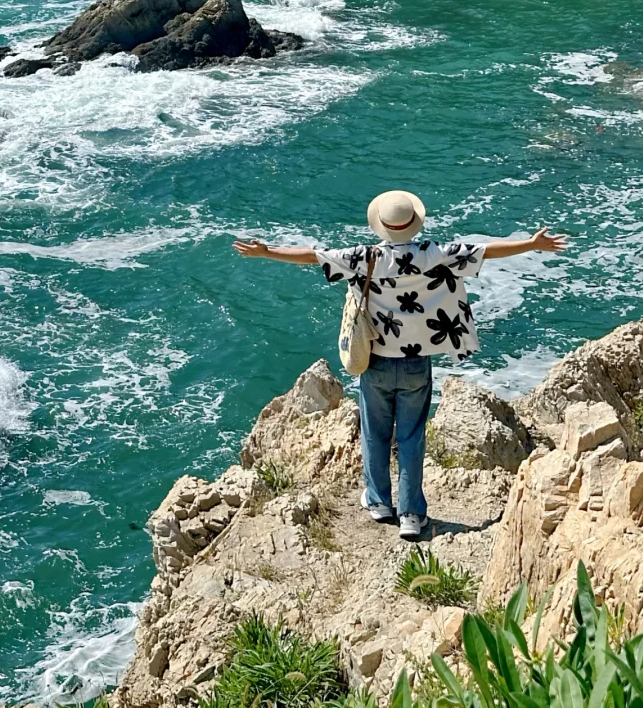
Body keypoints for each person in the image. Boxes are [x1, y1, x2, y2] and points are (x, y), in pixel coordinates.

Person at [234, 190, 567, 541]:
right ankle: (411, 514)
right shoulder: (434, 253)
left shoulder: (365, 257)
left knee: (375, 434)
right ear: (414, 223)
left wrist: (266, 252)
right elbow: (484, 250)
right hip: (414, 365)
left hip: (375, 363)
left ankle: (378, 502)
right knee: (411, 437)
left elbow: (313, 257)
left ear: (381, 225)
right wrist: (531, 244)